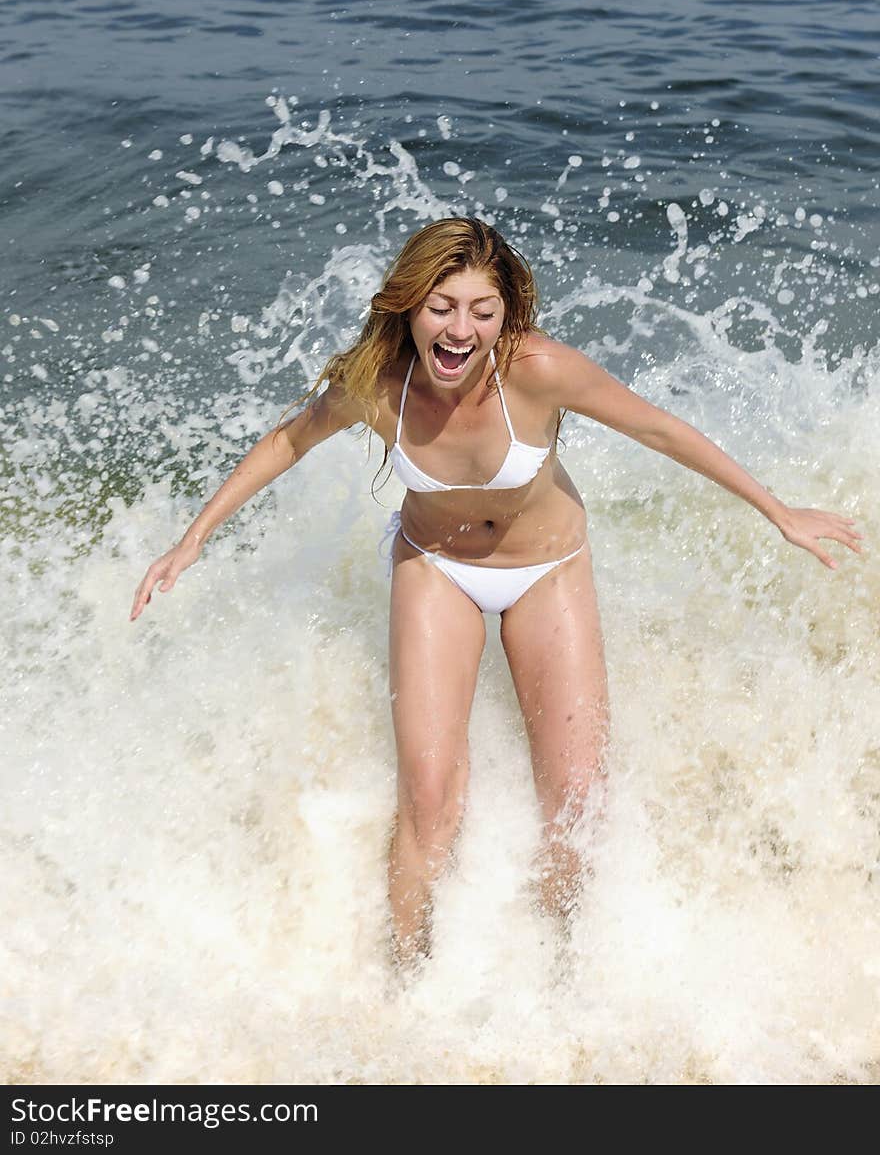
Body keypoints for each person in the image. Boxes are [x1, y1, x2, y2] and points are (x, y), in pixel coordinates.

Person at [129, 216, 863, 969]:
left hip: (546, 571)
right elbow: (289, 439)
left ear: (505, 315)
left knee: (577, 802)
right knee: (429, 805)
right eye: (442, 306)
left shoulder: (539, 371)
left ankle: (563, 977)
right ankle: (406, 983)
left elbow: (663, 432)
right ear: (409, 305)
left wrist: (779, 512)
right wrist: (193, 539)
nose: (460, 330)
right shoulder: (377, 387)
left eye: (482, 310)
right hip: (435, 568)